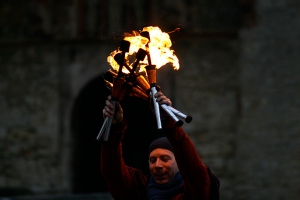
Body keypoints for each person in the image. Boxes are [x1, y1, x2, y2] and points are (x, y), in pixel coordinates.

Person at [100, 91, 220, 200]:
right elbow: (113, 172)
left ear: (179, 162)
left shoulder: (196, 192)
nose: (157, 165)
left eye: (165, 159)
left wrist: (167, 120)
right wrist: (114, 128)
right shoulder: (139, 192)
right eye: (152, 160)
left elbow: (191, 164)